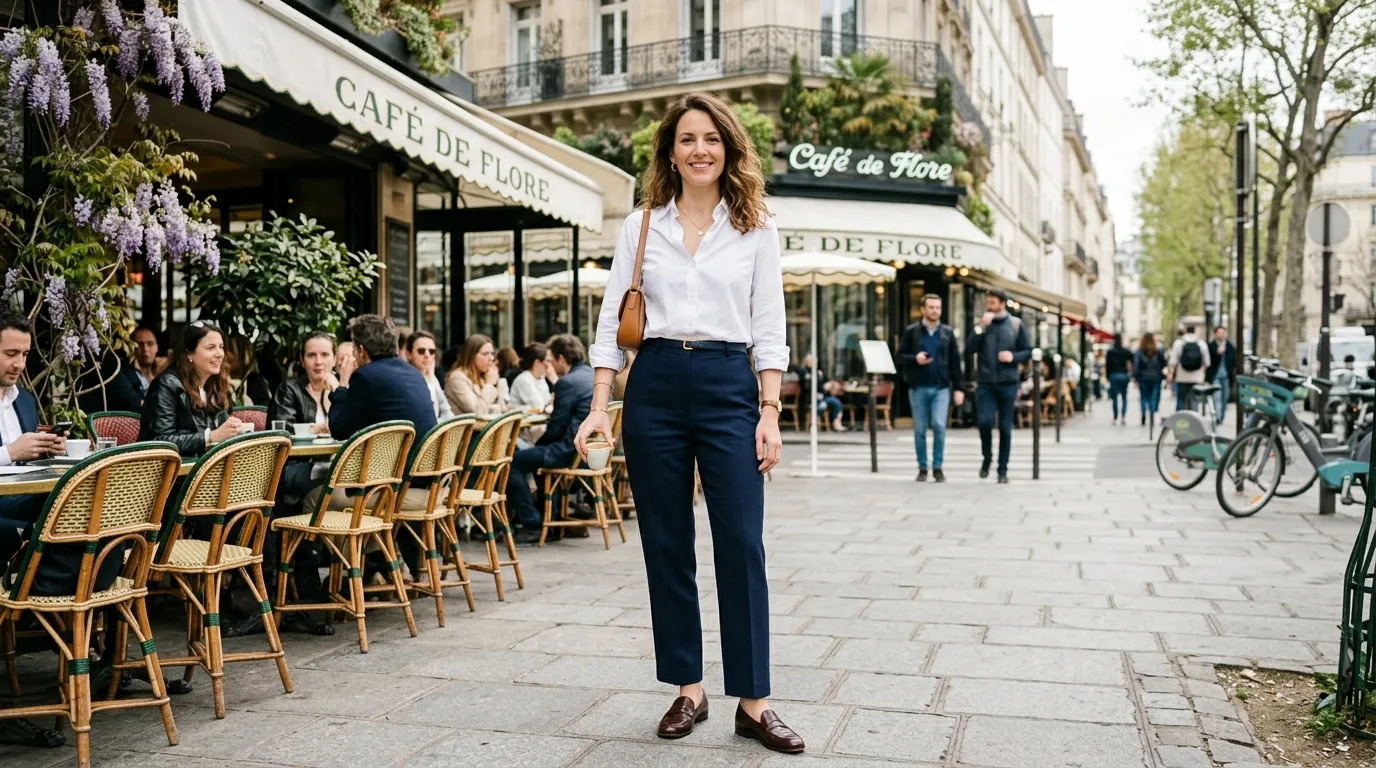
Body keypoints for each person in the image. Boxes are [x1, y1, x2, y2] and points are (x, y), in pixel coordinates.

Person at [576, 92, 803, 752]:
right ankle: (688, 689)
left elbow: (768, 325)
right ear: (669, 154)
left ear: (728, 149)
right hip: (655, 386)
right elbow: (612, 320)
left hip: (730, 382)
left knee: (742, 544)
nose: (699, 149)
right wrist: (598, 405)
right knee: (666, 543)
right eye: (687, 139)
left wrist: (769, 411)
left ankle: (754, 703)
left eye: (711, 139)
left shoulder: (756, 227)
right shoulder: (641, 225)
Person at [0, 310, 69, 748]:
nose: (19, 363)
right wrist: (9, 452)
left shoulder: (22, 399)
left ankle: (86, 645)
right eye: (9, 353)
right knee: (27, 534)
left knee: (70, 518)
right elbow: (11, 456)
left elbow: (26, 469)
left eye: (24, 354)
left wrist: (45, 448)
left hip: (15, 504)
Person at [504, 335, 593, 542]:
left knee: (513, 463)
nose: (550, 364)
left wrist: (537, 446)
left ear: (561, 358)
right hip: (587, 450)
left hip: (568, 450)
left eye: (552, 359)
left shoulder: (567, 382)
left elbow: (555, 427)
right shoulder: (591, 375)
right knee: (534, 458)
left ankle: (534, 523)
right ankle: (549, 521)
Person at [140, 323, 242, 456]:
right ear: (189, 353)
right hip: (169, 473)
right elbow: (159, 441)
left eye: (221, 347)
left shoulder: (217, 385)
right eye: (211, 347)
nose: (219, 354)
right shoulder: (167, 384)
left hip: (206, 468)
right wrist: (210, 437)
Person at [897, 294, 963, 482]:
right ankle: (922, 467)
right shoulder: (912, 332)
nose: (935, 311)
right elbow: (900, 357)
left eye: (938, 308)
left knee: (940, 425)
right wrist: (914, 359)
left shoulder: (947, 333)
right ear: (923, 309)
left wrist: (959, 388)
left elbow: (955, 362)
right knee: (919, 429)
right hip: (918, 387)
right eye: (931, 307)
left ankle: (938, 466)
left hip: (941, 387)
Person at [966, 290, 1031, 484]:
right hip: (985, 383)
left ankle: (1003, 469)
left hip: (1008, 383)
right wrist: (980, 327)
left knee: (1005, 427)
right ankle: (987, 458)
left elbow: (1028, 351)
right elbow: (969, 349)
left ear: (1002, 304)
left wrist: (1013, 357)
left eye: (993, 303)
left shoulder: (1015, 325)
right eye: (988, 302)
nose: (989, 306)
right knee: (984, 422)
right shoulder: (983, 326)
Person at [444, 335, 510, 417]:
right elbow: (478, 412)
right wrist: (490, 384)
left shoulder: (485, 375)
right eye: (485, 354)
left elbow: (504, 409)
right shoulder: (457, 378)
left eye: (492, 353)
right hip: (468, 429)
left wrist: (498, 383)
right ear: (471, 356)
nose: (491, 358)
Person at [404, 331, 454, 421]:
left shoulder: (431, 376)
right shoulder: (405, 380)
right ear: (409, 354)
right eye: (421, 351)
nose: (427, 355)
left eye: (432, 351)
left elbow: (447, 411)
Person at [510, 343, 553, 445]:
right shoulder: (524, 379)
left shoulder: (541, 379)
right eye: (547, 361)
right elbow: (540, 407)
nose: (550, 364)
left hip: (538, 431)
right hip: (524, 438)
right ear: (537, 362)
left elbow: (549, 406)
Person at [1167, 324, 1210, 413]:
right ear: (1195, 331)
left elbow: (1173, 362)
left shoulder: (1179, 343)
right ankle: (1193, 421)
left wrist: (1170, 374)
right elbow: (1207, 362)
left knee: (1181, 399)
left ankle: (1180, 420)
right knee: (1194, 400)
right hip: (1197, 377)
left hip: (1182, 377)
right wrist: (1202, 372)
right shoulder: (1201, 343)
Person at [796, 354, 842, 431]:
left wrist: (829, 384)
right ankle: (822, 415)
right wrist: (822, 386)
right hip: (810, 398)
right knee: (832, 402)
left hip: (822, 396)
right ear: (807, 362)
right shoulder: (804, 372)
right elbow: (809, 386)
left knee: (836, 402)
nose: (814, 363)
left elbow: (826, 381)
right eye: (812, 361)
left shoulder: (819, 372)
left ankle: (836, 422)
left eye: (815, 361)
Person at [1133, 333, 1167, 427]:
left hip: (1143, 377)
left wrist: (1135, 378)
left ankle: (1144, 414)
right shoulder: (1157, 350)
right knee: (1154, 396)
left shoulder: (1139, 351)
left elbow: (1136, 365)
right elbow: (1164, 363)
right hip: (1155, 377)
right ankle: (1152, 414)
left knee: (1143, 397)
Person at [1204, 325, 1235, 425]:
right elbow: (1208, 362)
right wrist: (1217, 354)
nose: (1221, 335)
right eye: (1219, 332)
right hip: (1215, 376)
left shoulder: (1229, 346)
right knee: (1216, 397)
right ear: (1215, 334)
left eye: (1223, 332)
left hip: (1226, 376)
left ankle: (1221, 416)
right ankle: (1217, 417)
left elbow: (1233, 361)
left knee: (1224, 397)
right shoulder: (1211, 346)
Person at [1104, 334, 1133, 425]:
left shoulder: (1110, 352)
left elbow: (1107, 366)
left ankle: (1115, 417)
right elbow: (1132, 360)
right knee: (1124, 397)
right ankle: (1123, 417)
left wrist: (1108, 377)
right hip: (1123, 375)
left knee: (1114, 398)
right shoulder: (1126, 351)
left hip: (1114, 375)